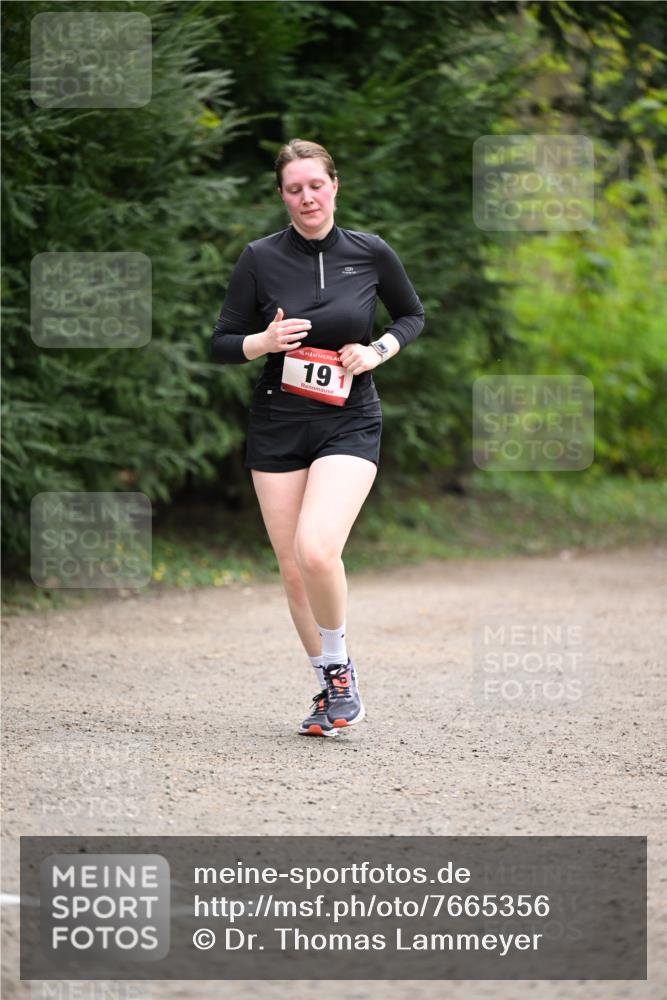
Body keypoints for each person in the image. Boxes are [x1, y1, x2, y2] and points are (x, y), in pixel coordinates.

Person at [210, 138, 425, 737]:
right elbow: (221, 341)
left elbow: (412, 315)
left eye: (316, 185)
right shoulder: (259, 257)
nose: (307, 197)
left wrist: (377, 350)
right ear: (282, 196)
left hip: (348, 418)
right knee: (292, 568)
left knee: (317, 550)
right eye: (294, 189)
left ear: (334, 186)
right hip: (278, 423)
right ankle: (334, 682)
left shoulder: (369, 251)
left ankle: (340, 674)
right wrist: (262, 343)